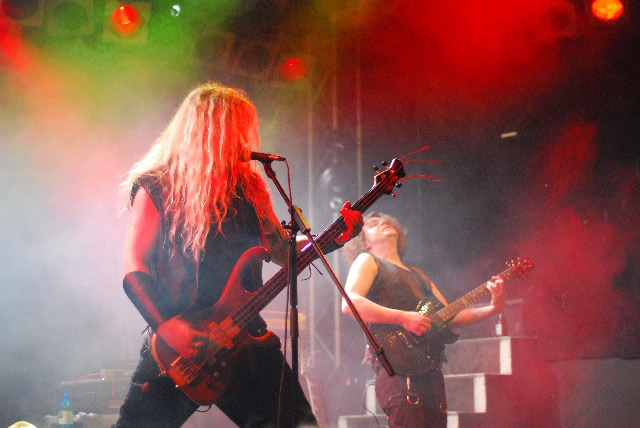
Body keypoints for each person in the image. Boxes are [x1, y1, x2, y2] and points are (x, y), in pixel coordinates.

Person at [114, 82, 363, 428]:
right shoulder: (158, 185)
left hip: (243, 335)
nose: (247, 140)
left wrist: (334, 238)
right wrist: (168, 327)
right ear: (211, 132)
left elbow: (283, 252)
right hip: (182, 342)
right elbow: (134, 266)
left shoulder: (249, 188)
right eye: (240, 130)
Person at [341, 212, 505, 428]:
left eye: (386, 221)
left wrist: (493, 307)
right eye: (374, 223)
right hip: (394, 366)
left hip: (428, 368)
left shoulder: (418, 275)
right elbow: (350, 303)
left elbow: (448, 317)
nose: (383, 222)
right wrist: (403, 318)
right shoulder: (367, 260)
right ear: (365, 243)